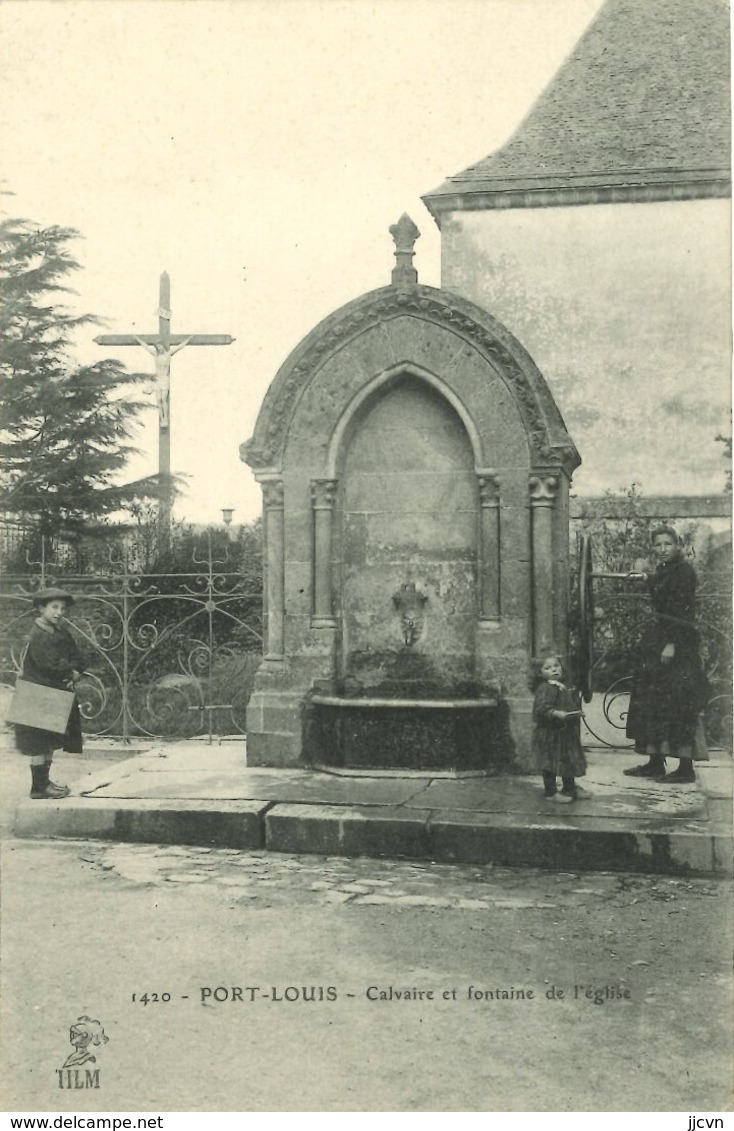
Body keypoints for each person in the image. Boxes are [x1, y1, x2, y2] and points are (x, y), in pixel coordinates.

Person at [624, 526, 708, 784]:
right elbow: (661, 591)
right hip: (659, 639)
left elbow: (682, 612)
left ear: (678, 545)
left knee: (680, 702)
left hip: (678, 642)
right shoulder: (664, 571)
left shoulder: (684, 572)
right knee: (652, 698)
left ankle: (685, 768)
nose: (662, 550)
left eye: (667, 544)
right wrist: (646, 579)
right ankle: (654, 762)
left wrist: (672, 643)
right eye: (658, 545)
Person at [14, 588, 85, 800]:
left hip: (52, 692)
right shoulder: (38, 635)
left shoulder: (61, 632)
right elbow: (49, 664)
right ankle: (38, 787)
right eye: (54, 607)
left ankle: (45, 782)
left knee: (50, 740)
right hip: (37, 692)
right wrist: (70, 671)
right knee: (38, 742)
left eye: (62, 608)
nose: (59, 612)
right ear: (41, 608)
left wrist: (76, 669)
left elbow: (77, 655)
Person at [532, 654, 589, 803]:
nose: (554, 670)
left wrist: (574, 713)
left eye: (556, 666)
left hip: (564, 732)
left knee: (567, 760)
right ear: (540, 673)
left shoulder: (561, 687)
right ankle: (550, 792)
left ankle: (569, 788)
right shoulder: (545, 688)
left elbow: (567, 705)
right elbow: (542, 709)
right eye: (548, 668)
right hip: (550, 732)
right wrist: (557, 713)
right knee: (549, 763)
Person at [133, 335, 191, 429]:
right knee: (158, 400)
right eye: (157, 347)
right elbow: (146, 347)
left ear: (163, 346)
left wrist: (187, 340)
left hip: (164, 379)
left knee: (164, 399)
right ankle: (162, 418)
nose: (159, 348)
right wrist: (138, 340)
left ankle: (165, 418)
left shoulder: (168, 354)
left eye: (160, 346)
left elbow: (179, 347)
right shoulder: (156, 355)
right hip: (157, 379)